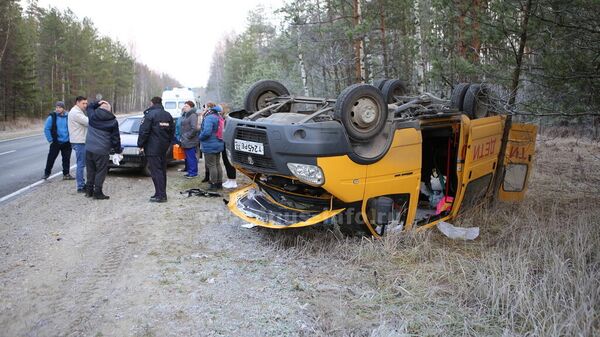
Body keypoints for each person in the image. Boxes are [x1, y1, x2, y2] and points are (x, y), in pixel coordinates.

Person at [138, 97, 175, 202]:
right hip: (164, 148)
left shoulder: (150, 115)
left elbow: (144, 131)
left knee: (156, 171)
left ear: (152, 103)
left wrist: (140, 144)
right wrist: (168, 143)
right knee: (162, 171)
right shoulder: (167, 115)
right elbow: (172, 131)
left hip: (152, 148)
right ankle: (160, 193)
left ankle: (161, 196)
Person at [85, 100, 122, 200]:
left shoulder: (92, 116)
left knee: (90, 170)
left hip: (89, 148)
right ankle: (98, 192)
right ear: (110, 110)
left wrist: (97, 102)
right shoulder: (113, 121)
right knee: (101, 171)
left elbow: (89, 107)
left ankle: (89, 191)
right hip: (102, 150)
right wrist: (117, 151)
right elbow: (115, 138)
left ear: (100, 108)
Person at [43, 101, 74, 180]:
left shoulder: (68, 116)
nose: (58, 109)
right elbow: (46, 129)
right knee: (51, 158)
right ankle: (47, 173)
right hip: (55, 142)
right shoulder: (52, 117)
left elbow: (73, 127)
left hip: (67, 142)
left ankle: (66, 174)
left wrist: (71, 139)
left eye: (60, 107)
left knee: (66, 159)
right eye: (57, 107)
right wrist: (50, 140)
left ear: (63, 108)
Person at [199, 104, 224, 191]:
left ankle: (213, 184)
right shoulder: (218, 116)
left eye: (204, 107)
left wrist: (200, 137)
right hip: (218, 143)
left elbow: (206, 132)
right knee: (217, 164)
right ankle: (219, 183)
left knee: (212, 165)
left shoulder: (209, 117)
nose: (203, 109)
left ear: (209, 108)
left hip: (210, 144)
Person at [67, 96, 89, 192]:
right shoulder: (76, 113)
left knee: (81, 163)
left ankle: (82, 184)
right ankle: (80, 186)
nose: (85, 105)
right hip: (79, 141)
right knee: (81, 164)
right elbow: (88, 122)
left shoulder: (77, 111)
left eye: (86, 103)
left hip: (79, 140)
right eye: (83, 103)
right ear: (77, 102)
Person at [219, 105, 237, 189]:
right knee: (225, 161)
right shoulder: (222, 118)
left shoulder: (228, 119)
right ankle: (230, 179)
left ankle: (233, 181)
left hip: (228, 142)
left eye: (220, 108)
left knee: (229, 162)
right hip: (224, 141)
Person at [180, 101, 199, 178]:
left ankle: (193, 173)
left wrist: (187, 136)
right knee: (188, 157)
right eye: (184, 106)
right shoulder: (187, 115)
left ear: (191, 107)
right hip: (186, 140)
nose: (185, 107)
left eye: (187, 106)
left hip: (190, 140)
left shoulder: (193, 115)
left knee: (191, 157)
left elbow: (194, 128)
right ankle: (190, 171)